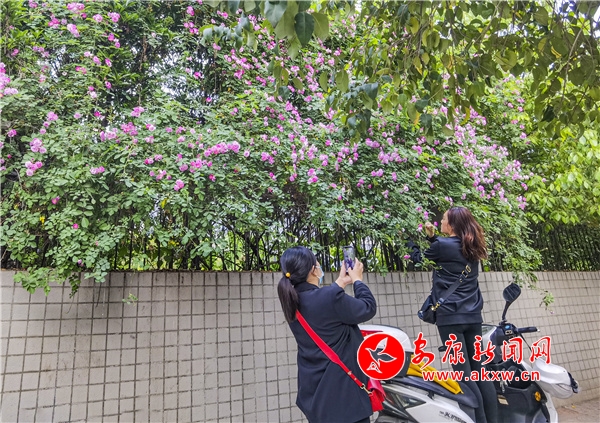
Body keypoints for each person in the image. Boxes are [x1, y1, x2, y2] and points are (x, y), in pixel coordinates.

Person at [407, 207, 498, 423]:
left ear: (453, 224)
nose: (441, 222)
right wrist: (432, 238)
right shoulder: (472, 246)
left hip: (450, 318)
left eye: (444, 219)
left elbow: (419, 259)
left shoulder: (442, 245)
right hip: (473, 316)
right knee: (479, 372)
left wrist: (409, 241)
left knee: (463, 376)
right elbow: (448, 253)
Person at [277, 246, 377, 423]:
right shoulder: (328, 298)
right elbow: (368, 308)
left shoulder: (292, 300)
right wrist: (357, 281)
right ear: (313, 270)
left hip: (317, 397)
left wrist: (340, 282)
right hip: (344, 398)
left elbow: (320, 301)